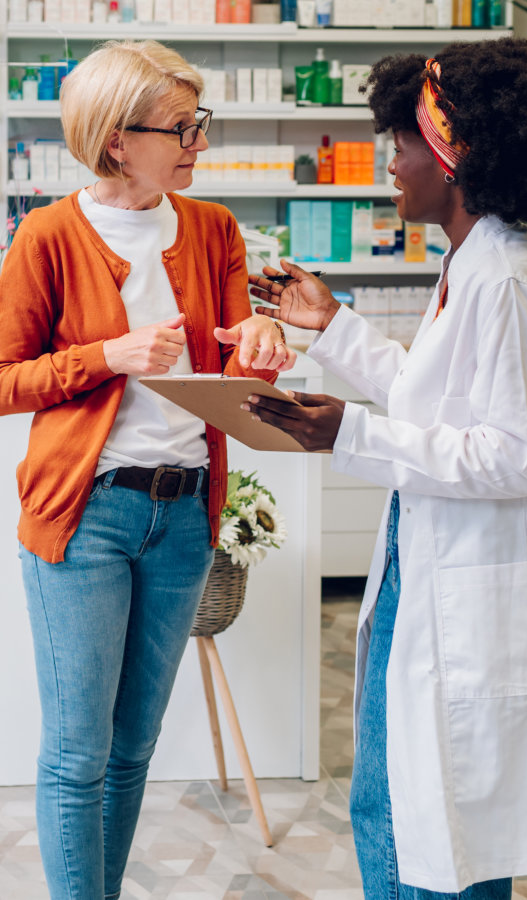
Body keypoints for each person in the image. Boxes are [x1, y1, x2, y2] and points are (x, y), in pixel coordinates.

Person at [245, 36, 527, 900]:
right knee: (401, 805)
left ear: (454, 157)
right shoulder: (470, 262)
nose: (390, 164)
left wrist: (350, 437)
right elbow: (435, 402)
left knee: (424, 828)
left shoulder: (505, 279)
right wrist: (331, 326)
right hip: (428, 565)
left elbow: (517, 455)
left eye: (402, 143)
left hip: (468, 587)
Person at [0, 40, 295, 900]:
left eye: (198, 121)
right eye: (180, 127)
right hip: (85, 518)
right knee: (77, 752)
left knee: (134, 745)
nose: (199, 141)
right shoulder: (48, 235)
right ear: (117, 139)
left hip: (184, 518)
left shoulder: (214, 230)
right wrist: (106, 354)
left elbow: (240, 375)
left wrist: (268, 347)